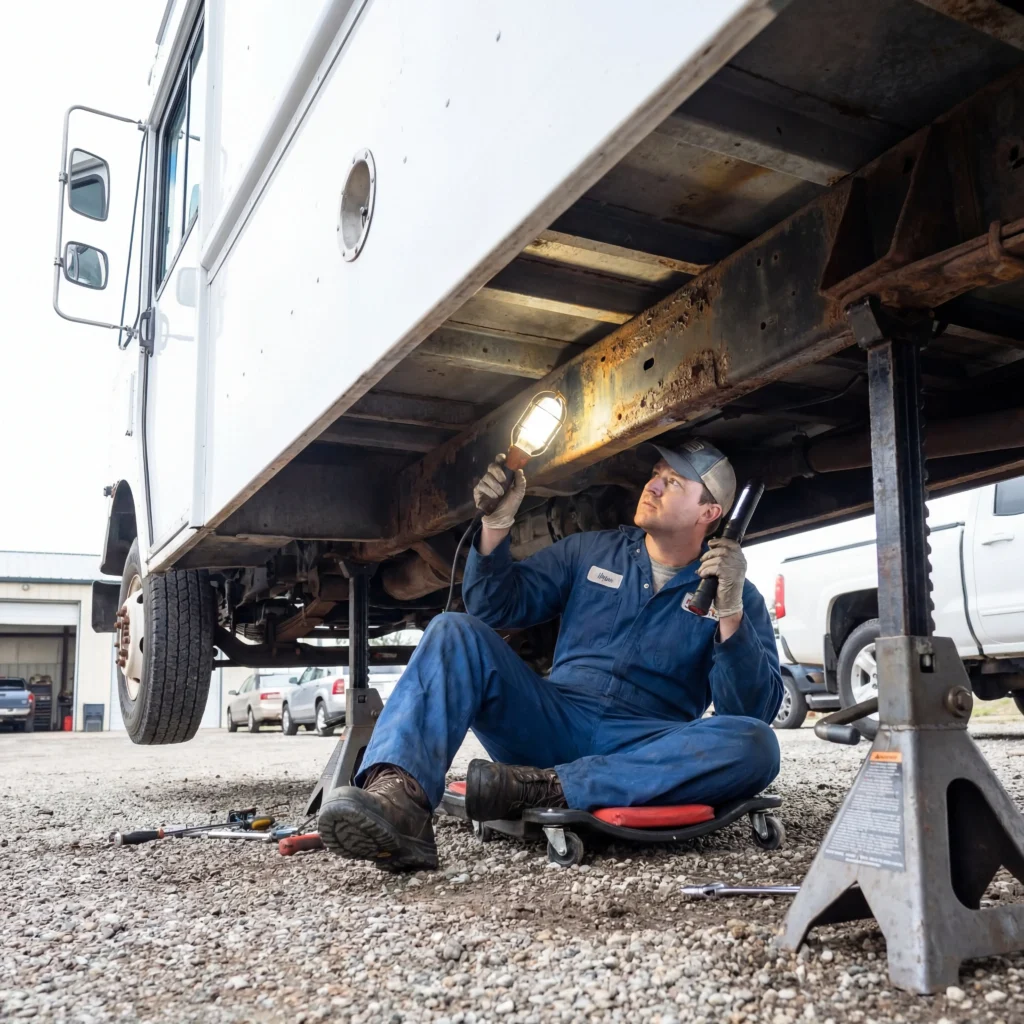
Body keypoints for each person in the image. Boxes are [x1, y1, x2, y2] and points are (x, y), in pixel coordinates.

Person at [318, 439, 783, 870]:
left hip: (643, 745)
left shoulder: (737, 597)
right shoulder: (591, 551)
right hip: (552, 718)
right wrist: (497, 523)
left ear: (711, 511)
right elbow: (495, 606)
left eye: (675, 482)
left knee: (757, 745)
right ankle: (398, 798)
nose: (654, 484)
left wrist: (730, 615)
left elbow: (748, 713)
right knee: (452, 631)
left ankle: (550, 789)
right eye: (656, 473)